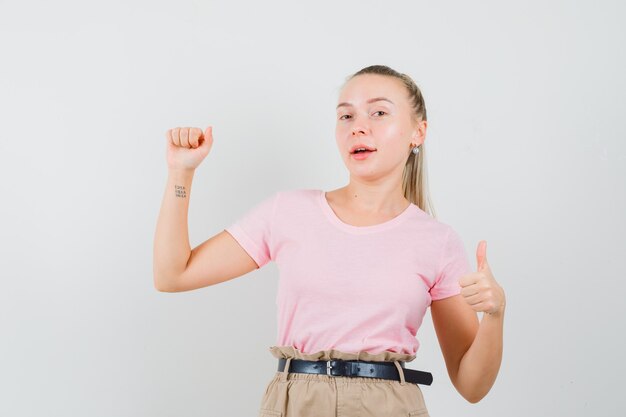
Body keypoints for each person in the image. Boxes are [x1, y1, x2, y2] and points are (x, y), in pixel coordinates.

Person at [153, 64, 506, 417]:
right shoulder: (287, 212)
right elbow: (173, 275)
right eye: (346, 116)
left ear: (418, 131)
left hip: (390, 406)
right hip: (296, 403)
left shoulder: (437, 241)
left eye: (379, 112)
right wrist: (181, 173)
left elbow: (472, 385)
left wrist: (494, 315)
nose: (358, 127)